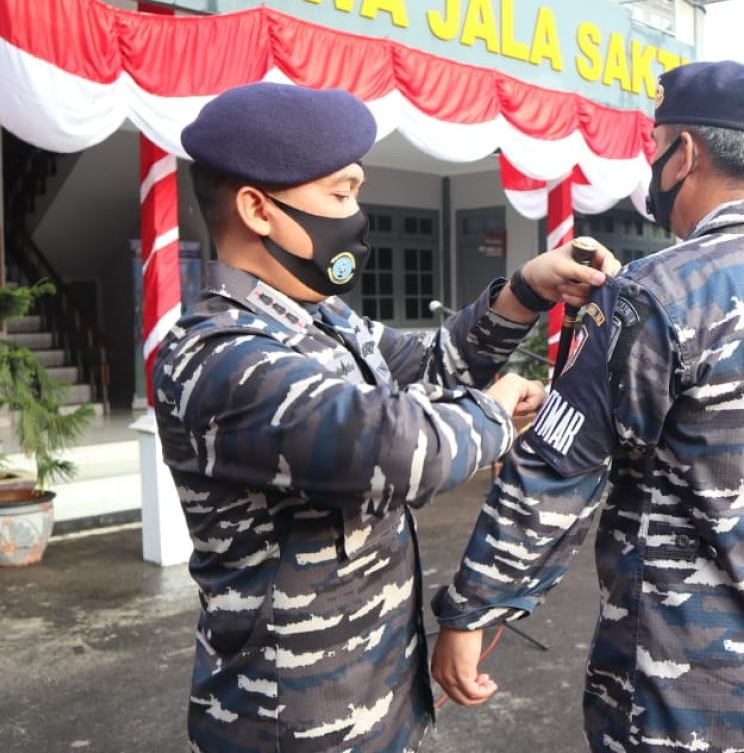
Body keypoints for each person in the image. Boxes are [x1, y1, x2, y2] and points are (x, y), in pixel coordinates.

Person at [153, 82, 618, 752]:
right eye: (342, 194)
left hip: (378, 692)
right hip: (291, 720)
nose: (356, 213)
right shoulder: (218, 356)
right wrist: (493, 413)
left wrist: (524, 292)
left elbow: (431, 365)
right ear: (257, 208)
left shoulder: (320, 317)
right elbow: (397, 451)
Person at [431, 61, 744, 752]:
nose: (650, 165)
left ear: (685, 154)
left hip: (689, 692)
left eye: (653, 148)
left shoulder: (656, 292)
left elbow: (557, 473)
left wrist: (472, 610)